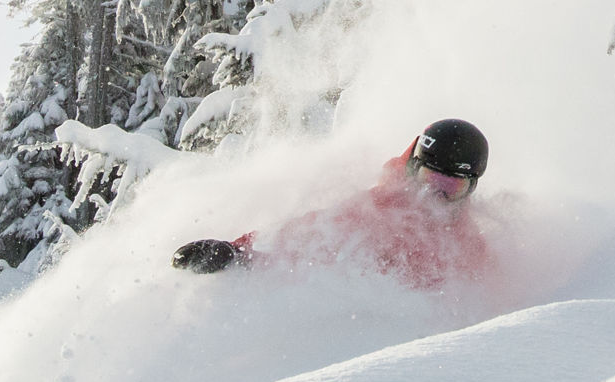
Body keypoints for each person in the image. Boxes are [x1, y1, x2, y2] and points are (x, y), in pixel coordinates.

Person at [173, 119, 495, 289]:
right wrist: (237, 252)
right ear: (412, 170)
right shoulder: (381, 209)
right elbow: (303, 235)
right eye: (430, 179)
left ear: (470, 188)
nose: (434, 196)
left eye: (451, 186)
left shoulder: (467, 243)